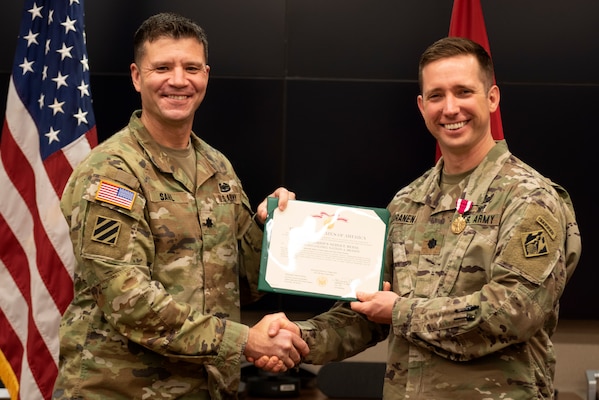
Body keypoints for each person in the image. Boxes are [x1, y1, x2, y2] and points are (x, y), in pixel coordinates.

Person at [255, 37, 582, 399]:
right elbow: (368, 310)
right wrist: (300, 338)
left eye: (463, 92)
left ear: (491, 98)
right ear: (422, 106)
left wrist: (401, 312)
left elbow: (513, 313)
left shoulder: (530, 198)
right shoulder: (408, 201)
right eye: (437, 95)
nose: (451, 108)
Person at [52, 12, 308, 400]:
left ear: (206, 75)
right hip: (119, 390)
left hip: (206, 389)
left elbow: (237, 284)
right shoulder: (112, 171)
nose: (178, 80)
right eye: (162, 67)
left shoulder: (216, 166)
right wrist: (244, 341)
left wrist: (266, 226)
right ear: (137, 76)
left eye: (191, 67)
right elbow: (128, 299)